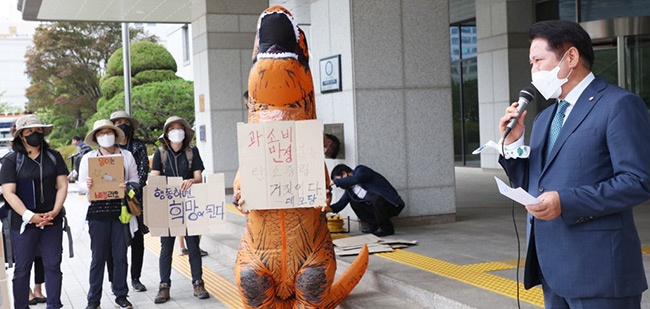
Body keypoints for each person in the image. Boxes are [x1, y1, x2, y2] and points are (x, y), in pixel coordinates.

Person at [498, 20, 650, 309]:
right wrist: (513, 144)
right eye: (531, 63)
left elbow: (638, 181)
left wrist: (565, 201)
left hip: (600, 272)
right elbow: (533, 183)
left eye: (538, 61)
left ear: (570, 57)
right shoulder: (544, 119)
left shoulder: (619, 105)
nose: (534, 72)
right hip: (552, 270)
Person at [0, 114, 68, 309]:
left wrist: (54, 212)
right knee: (22, 269)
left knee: (53, 266)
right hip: (22, 224)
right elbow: (8, 192)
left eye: (38, 130)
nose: (34, 134)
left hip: (51, 220)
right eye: (29, 131)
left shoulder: (53, 157)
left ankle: (54, 305)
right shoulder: (12, 161)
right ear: (21, 136)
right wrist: (29, 216)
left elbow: (62, 185)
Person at [78, 119, 140, 309]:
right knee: (98, 257)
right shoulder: (88, 158)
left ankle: (121, 294)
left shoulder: (126, 155)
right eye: (101, 133)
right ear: (96, 137)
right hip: (97, 214)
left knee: (120, 255)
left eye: (109, 132)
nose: (106, 136)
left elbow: (136, 181)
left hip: (120, 212)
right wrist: (86, 185)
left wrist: (127, 186)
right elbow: (79, 186)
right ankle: (93, 299)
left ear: (115, 134)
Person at [150, 116, 209, 303]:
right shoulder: (161, 153)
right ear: (166, 134)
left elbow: (198, 176)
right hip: (168, 206)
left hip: (189, 205)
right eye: (172, 128)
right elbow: (154, 178)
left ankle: (198, 283)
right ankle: (164, 286)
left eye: (180, 128)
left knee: (193, 245)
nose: (177, 131)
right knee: (166, 247)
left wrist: (191, 180)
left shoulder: (192, 152)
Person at [104, 111, 149, 292]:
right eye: (117, 122)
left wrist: (129, 189)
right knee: (111, 241)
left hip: (133, 201)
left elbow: (142, 172)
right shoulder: (106, 147)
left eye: (125, 122)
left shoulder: (138, 146)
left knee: (137, 239)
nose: (122, 125)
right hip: (110, 201)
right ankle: (114, 278)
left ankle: (135, 277)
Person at [329, 164, 405, 237]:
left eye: (338, 179)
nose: (339, 185)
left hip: (393, 204)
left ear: (344, 174)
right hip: (376, 207)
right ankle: (373, 225)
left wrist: (334, 182)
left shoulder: (361, 170)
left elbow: (356, 179)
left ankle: (386, 228)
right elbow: (341, 203)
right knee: (354, 202)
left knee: (377, 199)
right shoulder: (350, 190)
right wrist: (327, 209)